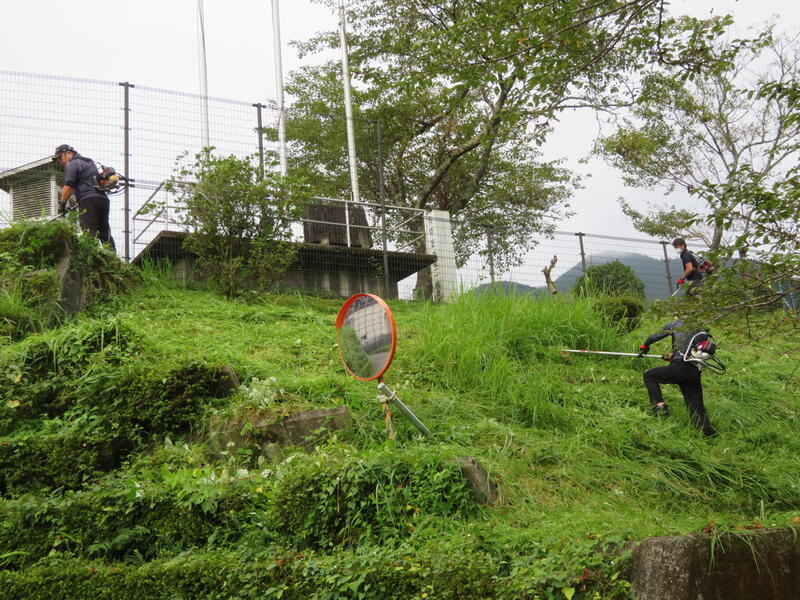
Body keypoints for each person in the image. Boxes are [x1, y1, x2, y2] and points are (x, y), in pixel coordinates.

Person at [638, 316, 717, 437]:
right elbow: (692, 349)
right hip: (694, 371)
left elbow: (654, 337)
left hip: (679, 368)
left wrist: (645, 346)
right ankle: (706, 431)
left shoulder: (675, 324)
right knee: (695, 403)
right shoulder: (702, 328)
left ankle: (659, 406)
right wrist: (674, 355)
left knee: (649, 375)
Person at [53, 144, 115, 249]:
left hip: (88, 200)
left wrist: (62, 204)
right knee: (104, 231)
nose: (59, 160)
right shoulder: (89, 162)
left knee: (88, 231)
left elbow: (69, 186)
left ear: (68, 153)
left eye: (60, 157)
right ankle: (112, 256)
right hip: (103, 199)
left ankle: (89, 255)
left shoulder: (73, 164)